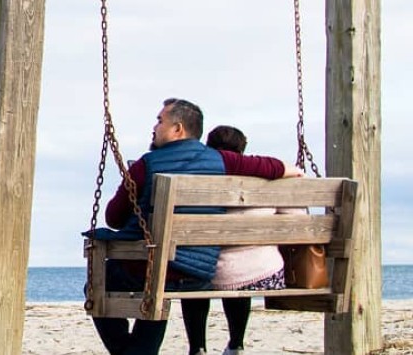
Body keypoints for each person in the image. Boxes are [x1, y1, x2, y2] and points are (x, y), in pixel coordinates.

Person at [89, 98, 303, 355]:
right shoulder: (220, 160)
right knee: (157, 289)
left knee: (105, 279)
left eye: (160, 121)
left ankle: (132, 351)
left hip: (152, 272)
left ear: (177, 129)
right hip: (199, 276)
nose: (154, 127)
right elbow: (270, 166)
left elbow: (113, 218)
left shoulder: (147, 165)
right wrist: (293, 171)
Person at [180, 126, 289, 355]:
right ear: (243, 149)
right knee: (241, 272)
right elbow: (295, 221)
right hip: (262, 274)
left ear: (208, 149)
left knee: (195, 277)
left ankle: (197, 348)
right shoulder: (267, 177)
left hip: (205, 274)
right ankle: (236, 344)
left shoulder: (195, 180)